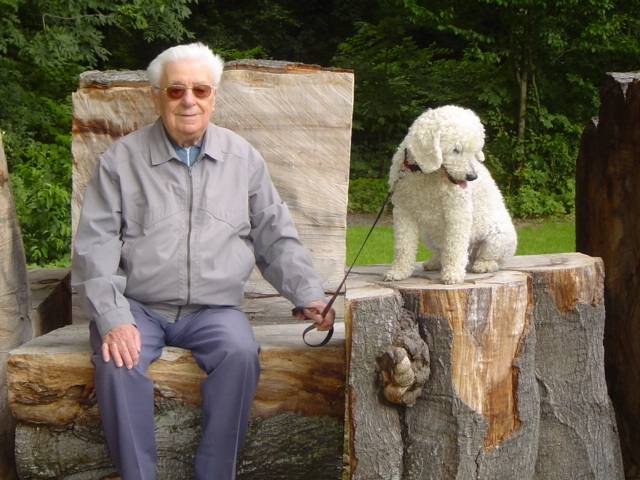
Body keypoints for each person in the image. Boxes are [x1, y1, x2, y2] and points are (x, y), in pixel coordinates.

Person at [71, 42, 335, 480]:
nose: (188, 100)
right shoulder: (120, 160)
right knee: (118, 361)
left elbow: (275, 237)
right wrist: (114, 318)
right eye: (176, 91)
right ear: (156, 97)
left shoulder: (243, 159)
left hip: (214, 310)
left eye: (200, 90)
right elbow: (94, 248)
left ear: (214, 96)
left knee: (240, 353)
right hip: (138, 307)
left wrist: (308, 295)